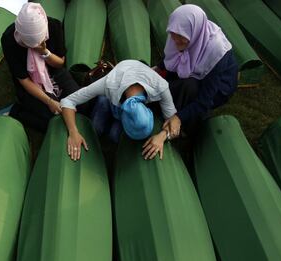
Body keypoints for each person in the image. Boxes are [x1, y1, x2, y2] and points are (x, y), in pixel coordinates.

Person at [60, 60, 179, 161]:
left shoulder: (161, 87)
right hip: (112, 92)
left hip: (134, 83)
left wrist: (163, 136)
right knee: (96, 127)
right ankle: (104, 101)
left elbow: (174, 121)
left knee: (115, 135)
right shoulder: (108, 83)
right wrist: (73, 132)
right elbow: (67, 101)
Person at [155, 4, 238, 136]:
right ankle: (168, 107)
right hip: (195, 72)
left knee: (188, 86)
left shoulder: (216, 51)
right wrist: (158, 68)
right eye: (173, 34)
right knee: (168, 83)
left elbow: (205, 100)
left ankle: (184, 128)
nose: (175, 40)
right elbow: (172, 57)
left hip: (218, 88)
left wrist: (179, 117)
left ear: (194, 33)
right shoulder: (185, 33)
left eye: (180, 36)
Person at [1, 3, 83, 132]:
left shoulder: (54, 26)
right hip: (31, 82)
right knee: (53, 119)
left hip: (55, 72)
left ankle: (51, 97)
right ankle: (17, 111)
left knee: (82, 105)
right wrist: (50, 102)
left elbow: (60, 63)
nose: (34, 46)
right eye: (28, 43)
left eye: (39, 41)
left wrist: (44, 52)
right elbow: (24, 80)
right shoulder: (9, 39)